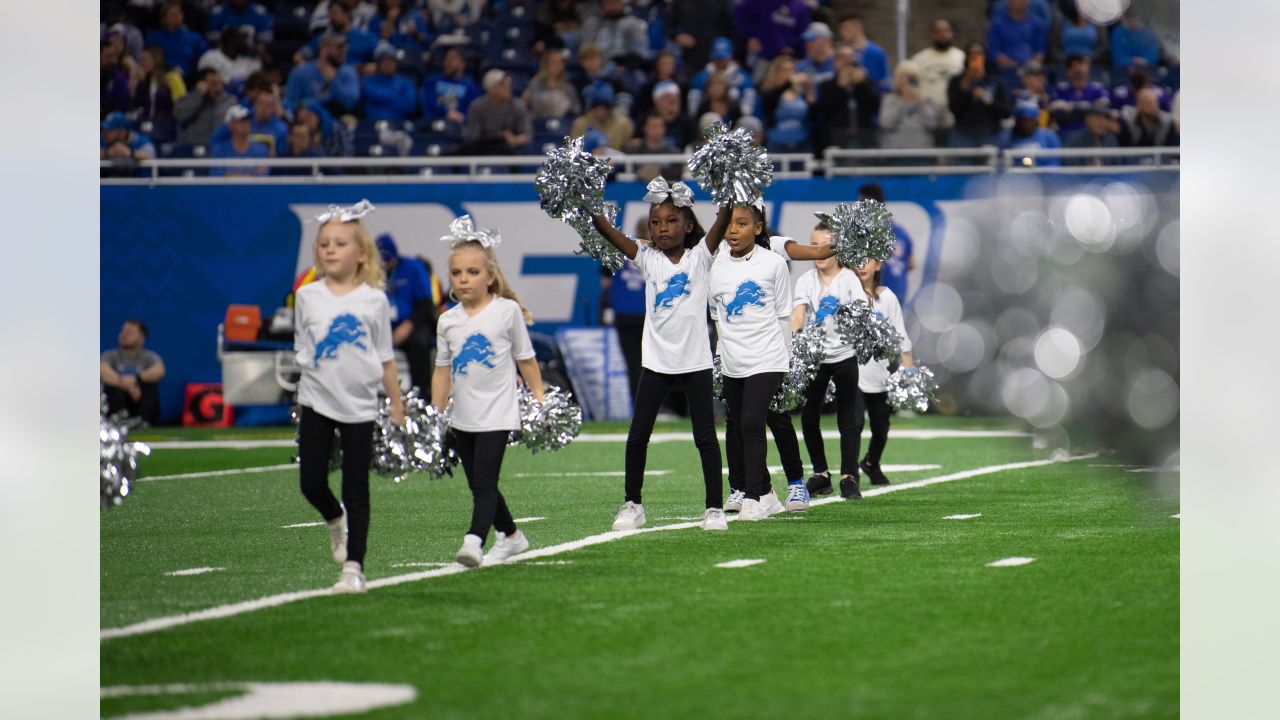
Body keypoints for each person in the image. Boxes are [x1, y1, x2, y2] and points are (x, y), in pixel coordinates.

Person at [587, 179, 731, 533]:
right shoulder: (647, 258)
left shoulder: (701, 257)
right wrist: (589, 200)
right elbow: (609, 232)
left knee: (706, 438)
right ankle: (633, 504)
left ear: (687, 225)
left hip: (696, 361)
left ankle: (714, 507)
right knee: (638, 435)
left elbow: (722, 220)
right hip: (656, 362)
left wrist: (729, 183)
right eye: (655, 222)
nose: (662, 228)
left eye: (670, 221)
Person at [294, 200, 405, 594]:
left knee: (356, 486)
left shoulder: (374, 300)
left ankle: (354, 568)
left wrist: (396, 404)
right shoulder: (307, 297)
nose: (329, 250)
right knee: (311, 483)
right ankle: (333, 518)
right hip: (316, 401)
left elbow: (386, 358)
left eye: (339, 243)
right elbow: (304, 350)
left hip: (360, 405)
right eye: (324, 243)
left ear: (361, 254)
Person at [713, 201, 834, 519]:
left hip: (770, 353)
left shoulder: (776, 250)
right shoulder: (717, 258)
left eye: (743, 222)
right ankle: (751, 489)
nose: (734, 228)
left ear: (758, 224)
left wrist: (787, 357)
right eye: (730, 222)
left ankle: (794, 483)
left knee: (774, 420)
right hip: (733, 354)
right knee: (736, 424)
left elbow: (816, 256)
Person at [432, 218, 542, 567]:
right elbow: (442, 370)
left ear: (490, 276)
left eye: (472, 272)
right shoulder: (447, 320)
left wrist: (539, 398)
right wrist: (436, 414)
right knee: (481, 484)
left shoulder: (506, 311)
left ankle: (473, 542)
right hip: (462, 415)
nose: (464, 279)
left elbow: (526, 359)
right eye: (457, 272)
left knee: (483, 482)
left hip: (498, 411)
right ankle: (511, 536)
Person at [793, 223, 863, 499]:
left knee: (848, 417)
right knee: (809, 417)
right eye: (814, 244)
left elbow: (859, 313)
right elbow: (798, 313)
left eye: (825, 245)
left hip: (844, 355)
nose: (819, 251)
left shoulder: (849, 279)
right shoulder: (805, 280)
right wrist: (794, 338)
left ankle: (849, 476)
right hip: (816, 357)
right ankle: (821, 474)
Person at [850, 255, 915, 489]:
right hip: (852, 373)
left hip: (880, 374)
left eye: (867, 260)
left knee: (881, 426)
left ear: (878, 264)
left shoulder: (887, 297)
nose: (861, 265)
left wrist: (909, 369)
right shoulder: (847, 295)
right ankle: (850, 476)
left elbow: (900, 333)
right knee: (854, 424)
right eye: (856, 259)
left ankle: (871, 462)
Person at [375, 233, 437, 396]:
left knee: (420, 342)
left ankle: (421, 395)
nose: (384, 265)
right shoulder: (372, 272)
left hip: (410, 325)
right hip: (383, 326)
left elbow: (426, 305)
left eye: (387, 260)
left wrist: (407, 326)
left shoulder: (413, 268)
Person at [813, 46, 880, 150]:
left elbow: (875, 107)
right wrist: (839, 87)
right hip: (836, 139)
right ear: (835, 62)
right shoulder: (827, 85)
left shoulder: (866, 83)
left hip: (863, 138)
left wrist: (862, 84)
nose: (848, 62)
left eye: (851, 58)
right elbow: (824, 111)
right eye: (844, 58)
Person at [101, 319, 165, 426]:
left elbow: (159, 371)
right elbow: (102, 371)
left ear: (141, 338)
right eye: (122, 331)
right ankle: (119, 419)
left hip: (138, 398)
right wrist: (125, 384)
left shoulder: (149, 357)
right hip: (119, 399)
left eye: (129, 332)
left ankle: (144, 421)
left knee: (150, 386)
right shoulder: (110, 355)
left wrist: (136, 379)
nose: (124, 334)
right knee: (110, 387)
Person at [947, 41, 1010, 149]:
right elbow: (953, 109)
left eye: (979, 54)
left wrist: (987, 98)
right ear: (966, 57)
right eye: (972, 54)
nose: (975, 57)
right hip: (963, 134)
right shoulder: (957, 81)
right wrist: (965, 85)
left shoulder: (995, 81)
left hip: (990, 134)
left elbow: (1006, 112)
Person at [858, 183, 914, 304]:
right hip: (899, 292)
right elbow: (911, 264)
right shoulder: (901, 232)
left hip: (877, 293)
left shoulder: (867, 232)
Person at [910, 19, 965, 136]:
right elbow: (912, 86)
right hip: (927, 120)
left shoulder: (962, 58)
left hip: (954, 119)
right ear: (931, 34)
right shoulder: (919, 59)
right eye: (938, 31)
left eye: (946, 30)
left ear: (952, 33)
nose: (942, 34)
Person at [458, 69, 531, 155]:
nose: (508, 87)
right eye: (502, 84)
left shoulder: (518, 106)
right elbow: (473, 138)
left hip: (510, 153)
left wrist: (513, 139)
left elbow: (528, 136)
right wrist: (496, 137)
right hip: (483, 152)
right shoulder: (477, 107)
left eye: (508, 83)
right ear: (491, 88)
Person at [284, 33, 360, 114]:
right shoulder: (300, 72)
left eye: (345, 47)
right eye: (339, 46)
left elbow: (351, 102)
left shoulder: (348, 72)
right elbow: (290, 104)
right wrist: (311, 104)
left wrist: (334, 81)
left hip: (340, 120)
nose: (344, 50)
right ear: (324, 48)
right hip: (308, 120)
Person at [686, 37, 756, 121]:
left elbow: (748, 103)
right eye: (718, 57)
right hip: (707, 118)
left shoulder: (744, 77)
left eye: (723, 57)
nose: (720, 61)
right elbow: (693, 108)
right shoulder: (700, 77)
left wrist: (743, 116)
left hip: (734, 118)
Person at [878, 60, 939, 151]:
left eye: (913, 76)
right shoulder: (889, 99)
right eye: (906, 76)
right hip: (894, 153)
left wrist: (921, 102)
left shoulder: (926, 99)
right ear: (899, 78)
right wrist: (902, 102)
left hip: (922, 152)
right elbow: (886, 124)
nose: (909, 80)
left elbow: (931, 124)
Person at [757, 55, 812, 153]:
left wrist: (810, 91)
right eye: (784, 70)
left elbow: (812, 114)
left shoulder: (800, 93)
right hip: (776, 143)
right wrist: (789, 83)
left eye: (791, 69)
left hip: (801, 143)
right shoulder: (768, 92)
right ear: (775, 72)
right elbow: (770, 101)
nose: (789, 73)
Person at [1048, 54, 1110, 136]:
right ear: (1068, 71)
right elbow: (1056, 113)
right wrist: (1089, 108)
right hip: (1066, 133)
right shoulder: (1060, 89)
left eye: (1083, 65)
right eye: (1075, 67)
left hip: (1092, 134)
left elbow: (1102, 111)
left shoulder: (1098, 89)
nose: (1080, 69)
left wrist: (1070, 108)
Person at [174, 67, 239, 144]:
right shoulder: (190, 99)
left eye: (220, 83)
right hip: (193, 150)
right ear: (202, 85)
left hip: (221, 150)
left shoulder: (230, 101)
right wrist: (199, 95)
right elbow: (179, 116)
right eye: (214, 84)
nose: (219, 88)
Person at [986, 0, 1048, 79]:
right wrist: (1011, 65)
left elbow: (1040, 50)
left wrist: (1032, 65)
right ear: (1008, 2)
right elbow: (994, 51)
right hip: (1005, 70)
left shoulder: (1038, 23)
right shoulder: (996, 24)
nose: (1022, 2)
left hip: (1031, 70)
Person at [420, 47, 481, 125]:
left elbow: (473, 108)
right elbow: (427, 103)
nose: (448, 61)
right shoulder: (432, 81)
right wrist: (446, 113)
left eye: (453, 58)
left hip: (459, 125)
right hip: (433, 122)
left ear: (462, 64)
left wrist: (462, 116)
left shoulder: (470, 86)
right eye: (446, 58)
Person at [145, 1, 208, 78]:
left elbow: (205, 56)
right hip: (161, 76)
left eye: (179, 13)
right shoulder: (154, 37)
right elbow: (149, 58)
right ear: (164, 19)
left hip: (189, 77)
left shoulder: (194, 37)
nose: (177, 17)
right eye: (172, 14)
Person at [571, 82, 634, 152]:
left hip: (615, 161)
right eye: (597, 108)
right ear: (591, 108)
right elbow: (575, 150)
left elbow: (628, 148)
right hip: (586, 160)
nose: (601, 111)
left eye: (605, 108)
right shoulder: (580, 124)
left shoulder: (623, 124)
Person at [362, 43, 417, 122]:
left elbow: (410, 106)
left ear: (396, 63)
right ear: (378, 64)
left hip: (399, 123)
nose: (388, 64)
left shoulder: (406, 82)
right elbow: (372, 94)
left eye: (391, 61)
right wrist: (397, 97)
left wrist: (382, 100)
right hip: (374, 124)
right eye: (384, 61)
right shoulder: (368, 80)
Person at [210, 104, 271, 176]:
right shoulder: (220, 151)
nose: (245, 124)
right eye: (241, 120)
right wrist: (249, 176)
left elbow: (262, 178)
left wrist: (231, 176)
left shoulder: (261, 151)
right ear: (230, 124)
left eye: (247, 120)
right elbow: (216, 178)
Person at [835, 14, 890, 91]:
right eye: (840, 28)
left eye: (846, 27)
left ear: (858, 26)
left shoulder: (876, 53)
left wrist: (864, 79)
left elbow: (885, 84)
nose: (842, 32)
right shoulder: (841, 53)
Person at [999, 100, 1062, 166]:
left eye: (1030, 121)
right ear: (1017, 122)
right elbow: (1001, 164)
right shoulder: (1006, 138)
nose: (1026, 125)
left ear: (1036, 120)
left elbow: (1054, 163)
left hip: (1044, 174)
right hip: (1016, 175)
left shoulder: (1049, 136)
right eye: (1023, 121)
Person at [624, 112, 682, 182]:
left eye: (659, 126)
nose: (656, 130)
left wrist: (659, 173)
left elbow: (676, 176)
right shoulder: (633, 150)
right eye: (652, 126)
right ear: (645, 128)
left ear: (664, 128)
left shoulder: (674, 153)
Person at [524, 49, 582, 119]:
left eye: (560, 62)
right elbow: (536, 106)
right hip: (540, 122)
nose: (557, 65)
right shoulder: (535, 83)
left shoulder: (568, 87)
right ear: (546, 64)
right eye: (554, 62)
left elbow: (576, 109)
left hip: (562, 124)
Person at [197, 27, 262, 88]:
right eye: (239, 40)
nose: (243, 43)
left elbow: (256, 84)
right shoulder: (211, 56)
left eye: (243, 41)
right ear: (229, 42)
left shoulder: (250, 59)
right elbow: (207, 84)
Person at [795, 22, 837, 90]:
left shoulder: (840, 61)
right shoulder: (801, 65)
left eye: (812, 40)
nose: (808, 44)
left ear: (827, 40)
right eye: (806, 40)